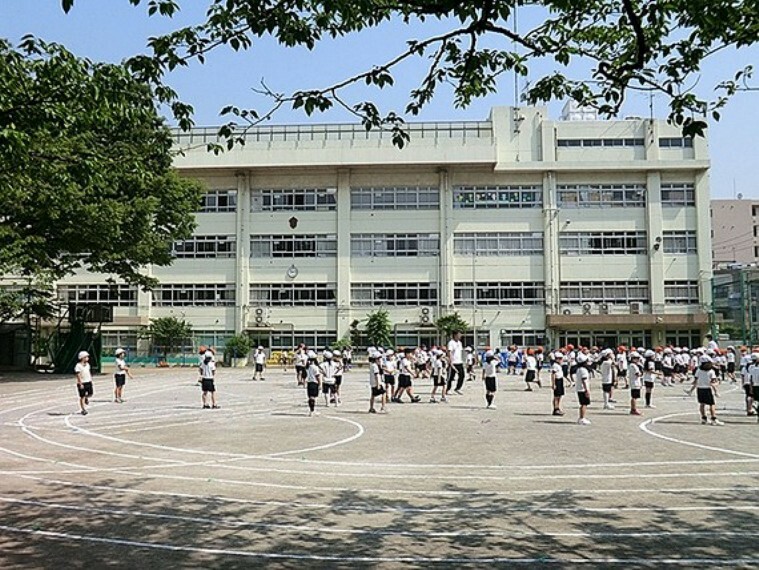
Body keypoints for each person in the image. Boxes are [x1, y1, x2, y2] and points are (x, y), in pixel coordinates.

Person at [686, 360, 724, 425]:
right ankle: (713, 419)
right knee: (711, 404)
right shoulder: (711, 372)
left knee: (702, 404)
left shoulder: (699, 370)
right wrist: (716, 391)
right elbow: (713, 383)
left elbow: (696, 380)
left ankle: (704, 418)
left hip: (700, 389)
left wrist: (691, 390)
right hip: (707, 389)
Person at [75, 350, 93, 416]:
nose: (87, 358)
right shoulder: (78, 365)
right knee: (82, 396)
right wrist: (80, 383)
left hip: (88, 381)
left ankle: (86, 398)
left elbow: (88, 372)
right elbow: (78, 374)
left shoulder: (88, 365)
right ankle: (83, 409)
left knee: (90, 393)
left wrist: (91, 379)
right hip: (82, 382)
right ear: (82, 358)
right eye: (86, 357)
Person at [575, 352, 591, 425]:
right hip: (583, 389)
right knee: (584, 404)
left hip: (579, 388)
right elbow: (584, 380)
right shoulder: (583, 370)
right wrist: (587, 390)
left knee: (583, 403)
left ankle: (581, 417)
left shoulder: (579, 369)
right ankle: (582, 418)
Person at [305, 350, 322, 416]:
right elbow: (317, 376)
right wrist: (320, 384)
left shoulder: (307, 367)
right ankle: (312, 411)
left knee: (310, 397)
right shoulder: (315, 367)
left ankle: (311, 410)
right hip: (314, 383)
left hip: (309, 383)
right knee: (313, 398)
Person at [551, 351, 566, 416]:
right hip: (557, 381)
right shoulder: (555, 365)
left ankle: (558, 408)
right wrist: (553, 384)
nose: (561, 360)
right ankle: (556, 409)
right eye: (560, 358)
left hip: (560, 380)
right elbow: (553, 375)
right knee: (556, 396)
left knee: (560, 395)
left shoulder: (559, 365)